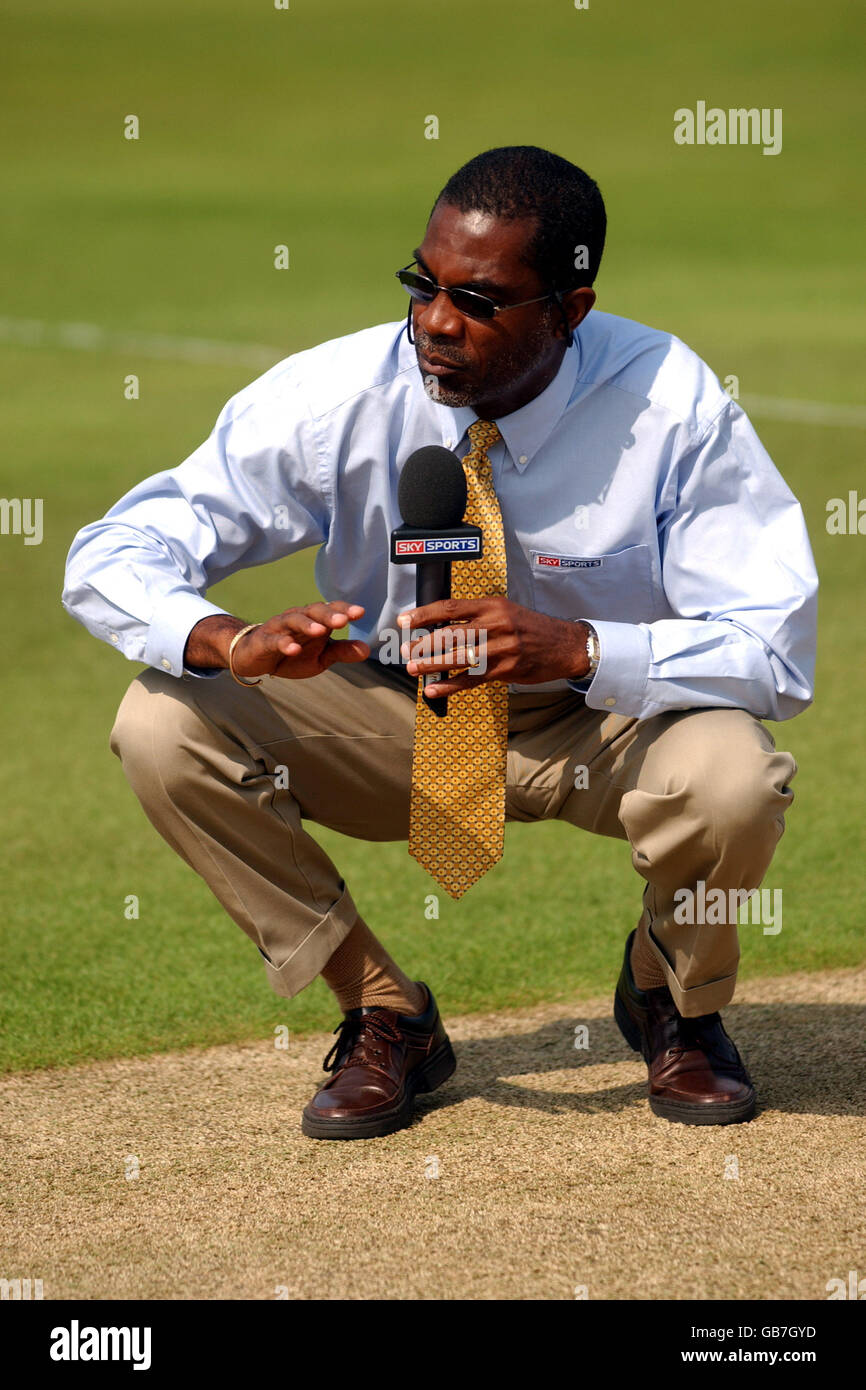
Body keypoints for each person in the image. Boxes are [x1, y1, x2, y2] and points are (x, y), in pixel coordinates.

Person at [62, 145, 817, 1139]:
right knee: (161, 721)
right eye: (421, 284)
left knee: (735, 781)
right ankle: (384, 1010)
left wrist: (580, 649)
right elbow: (113, 548)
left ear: (570, 308)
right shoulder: (336, 396)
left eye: (478, 299)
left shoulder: (670, 404)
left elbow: (774, 645)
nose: (434, 321)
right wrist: (227, 636)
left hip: (604, 720)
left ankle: (671, 1000)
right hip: (393, 713)